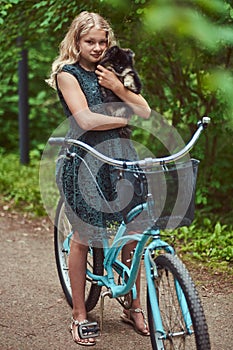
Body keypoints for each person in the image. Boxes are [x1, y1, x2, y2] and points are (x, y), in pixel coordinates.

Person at [47, 11, 151, 346]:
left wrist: (119, 88)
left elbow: (146, 111)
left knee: (133, 230)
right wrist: (125, 113)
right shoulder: (68, 74)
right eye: (89, 41)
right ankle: (79, 313)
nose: (96, 47)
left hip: (122, 158)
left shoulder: (113, 71)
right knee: (85, 233)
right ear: (76, 42)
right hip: (86, 162)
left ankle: (133, 306)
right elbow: (86, 119)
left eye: (102, 41)